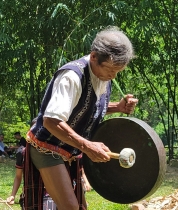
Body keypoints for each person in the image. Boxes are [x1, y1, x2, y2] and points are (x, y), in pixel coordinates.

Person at [24, 26, 138, 210]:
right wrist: (87, 145)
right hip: (47, 146)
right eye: (111, 69)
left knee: (79, 206)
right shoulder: (72, 77)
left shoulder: (104, 76)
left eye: (118, 71)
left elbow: (85, 106)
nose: (113, 75)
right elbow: (51, 121)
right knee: (70, 207)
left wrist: (117, 107)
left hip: (71, 150)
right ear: (94, 56)